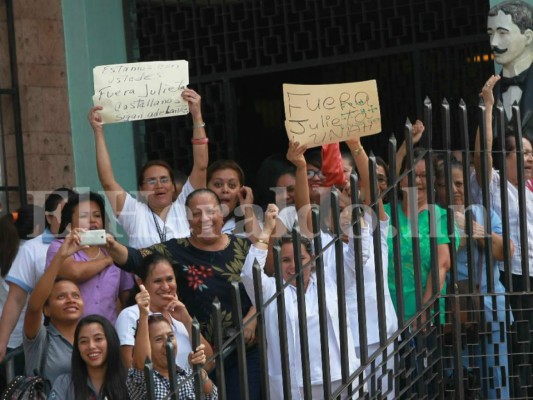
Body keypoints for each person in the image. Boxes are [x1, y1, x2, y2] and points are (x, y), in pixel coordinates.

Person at [105, 188, 261, 399]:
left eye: (210, 211)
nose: (204, 218)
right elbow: (135, 258)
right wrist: (111, 245)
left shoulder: (243, 246)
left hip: (244, 348)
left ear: (222, 213)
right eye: (196, 214)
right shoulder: (175, 250)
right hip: (197, 353)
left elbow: (268, 284)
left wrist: (252, 317)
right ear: (187, 220)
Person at [241, 204, 358, 399]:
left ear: (311, 260)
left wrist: (356, 222)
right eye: (286, 260)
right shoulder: (270, 290)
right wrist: (267, 231)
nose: (294, 265)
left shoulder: (329, 281)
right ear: (277, 263)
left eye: (300, 258)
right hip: (295, 385)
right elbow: (249, 272)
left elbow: (358, 256)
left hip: (338, 377)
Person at [88, 87, 208, 248]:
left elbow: (201, 166)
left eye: (164, 179)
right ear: (141, 189)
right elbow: (108, 182)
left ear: (173, 187)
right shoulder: (135, 214)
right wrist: (98, 131)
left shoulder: (184, 207)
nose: (159, 185)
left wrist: (197, 116)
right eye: (151, 181)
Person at [473, 74, 533, 395]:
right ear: (505, 157)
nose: (530, 158)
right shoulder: (494, 185)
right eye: (523, 152)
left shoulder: (530, 189)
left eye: (531, 152)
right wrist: (488, 108)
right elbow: (481, 155)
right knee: (520, 349)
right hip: (513, 274)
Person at [437, 157, 512, 398]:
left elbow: (506, 252)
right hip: (451, 312)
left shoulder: (483, 213)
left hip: (490, 306)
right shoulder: (431, 217)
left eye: (459, 184)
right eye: (447, 184)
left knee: (494, 377)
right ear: (437, 187)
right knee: (456, 380)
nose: (455, 190)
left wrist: (475, 230)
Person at [0, 188, 74, 364]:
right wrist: (2, 341)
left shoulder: (91, 246)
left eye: (75, 213)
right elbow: (16, 299)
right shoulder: (32, 249)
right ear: (48, 217)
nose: (70, 220)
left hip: (84, 337)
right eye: (64, 213)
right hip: (43, 342)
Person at [385, 148, 456, 323]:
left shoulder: (438, 216)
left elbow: (442, 263)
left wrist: (425, 310)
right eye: (411, 174)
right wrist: (404, 145)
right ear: (400, 180)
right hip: (385, 314)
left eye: (424, 176)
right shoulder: (385, 214)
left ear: (432, 180)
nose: (417, 181)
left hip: (424, 318)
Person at [46, 192, 133, 324]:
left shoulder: (114, 249)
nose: (92, 220)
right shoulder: (59, 247)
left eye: (97, 215)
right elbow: (75, 272)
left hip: (108, 335)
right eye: (84, 216)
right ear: (70, 223)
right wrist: (108, 260)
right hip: (71, 334)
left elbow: (126, 297)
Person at [115, 252, 213, 369]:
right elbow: (130, 369)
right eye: (157, 281)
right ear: (141, 283)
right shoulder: (130, 315)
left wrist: (186, 320)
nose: (166, 287)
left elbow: (210, 363)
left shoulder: (179, 315)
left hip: (189, 387)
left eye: (170, 279)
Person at [126, 284, 217, 400]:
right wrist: (143, 314)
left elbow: (213, 396)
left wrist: (199, 371)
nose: (167, 343)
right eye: (158, 339)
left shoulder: (187, 373)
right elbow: (141, 363)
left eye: (171, 336)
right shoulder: (141, 380)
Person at [23, 230, 84, 387]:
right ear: (47, 310)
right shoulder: (41, 339)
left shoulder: (90, 338)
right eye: (61, 297)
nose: (71, 300)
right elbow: (34, 308)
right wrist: (61, 256)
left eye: (76, 296)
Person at [48, 314, 129, 399]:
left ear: (111, 340)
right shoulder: (64, 384)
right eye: (83, 341)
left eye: (98, 339)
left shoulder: (130, 382)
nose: (91, 346)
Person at [487, 0, 533, 142]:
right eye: (490, 34)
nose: (493, 42)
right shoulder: (488, 95)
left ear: (528, 37)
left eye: (502, 33)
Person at [207, 159, 260, 238]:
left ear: (241, 191)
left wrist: (247, 208)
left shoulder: (250, 224)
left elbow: (261, 246)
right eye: (218, 184)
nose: (225, 190)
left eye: (232, 185)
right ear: (205, 188)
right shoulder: (193, 223)